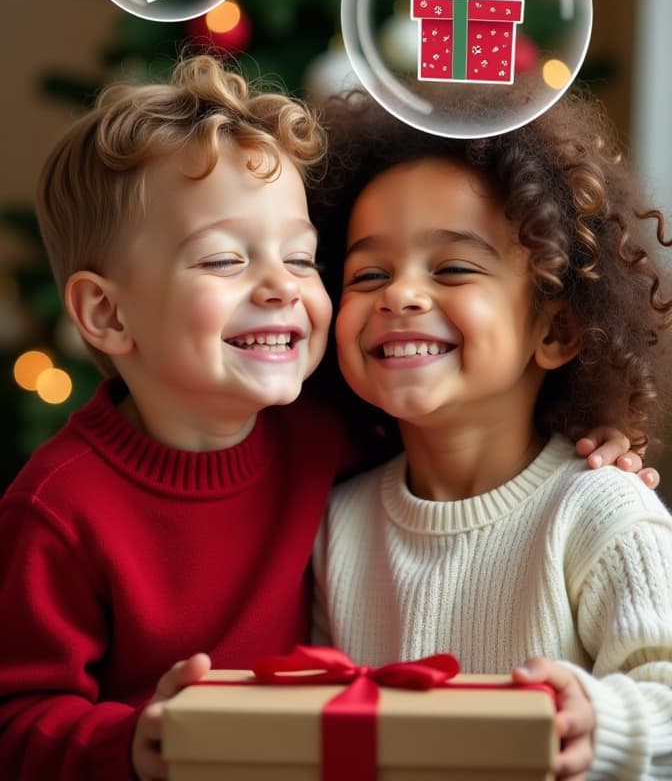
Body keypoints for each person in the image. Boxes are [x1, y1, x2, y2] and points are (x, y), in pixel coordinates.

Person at [0, 56, 654, 781]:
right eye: (223, 260)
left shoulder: (335, 442)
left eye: (304, 259)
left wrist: (598, 442)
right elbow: (15, 718)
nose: (281, 285)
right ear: (107, 313)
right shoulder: (61, 508)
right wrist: (127, 745)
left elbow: (467, 422)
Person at [311, 90, 672, 780]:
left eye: (451, 268)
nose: (400, 295)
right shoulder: (338, 524)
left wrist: (603, 723)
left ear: (557, 330)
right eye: (369, 274)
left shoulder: (602, 513)